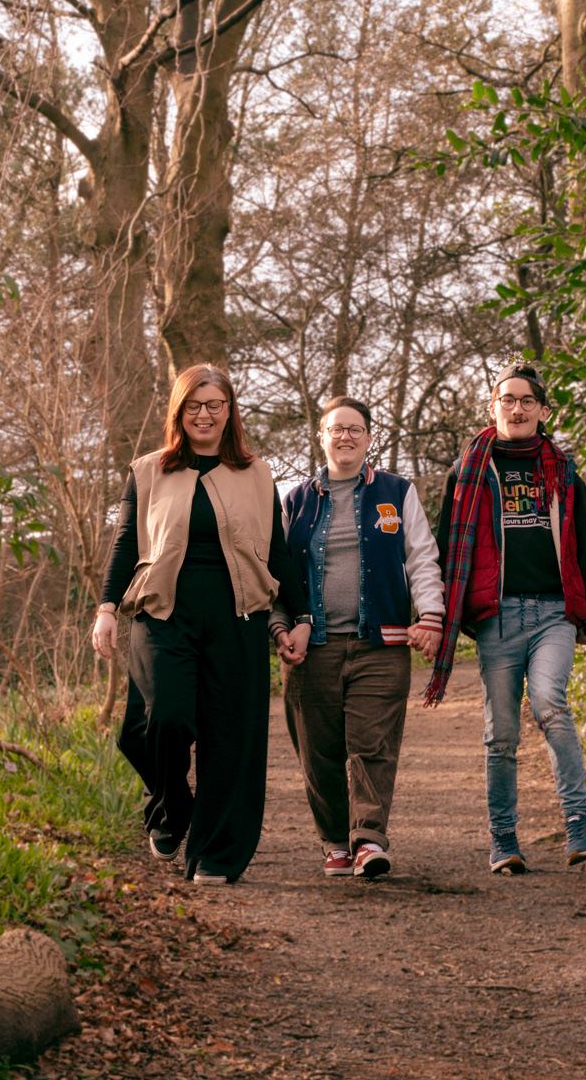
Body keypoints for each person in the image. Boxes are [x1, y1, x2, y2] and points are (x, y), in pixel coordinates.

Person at [91, 364, 309, 885]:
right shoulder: (148, 470)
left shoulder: (256, 473)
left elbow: (277, 551)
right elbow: (125, 546)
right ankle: (171, 806)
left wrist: (299, 617)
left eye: (215, 405)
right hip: (163, 610)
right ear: (179, 412)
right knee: (163, 718)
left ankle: (216, 853)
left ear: (229, 412)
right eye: (194, 406)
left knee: (230, 735)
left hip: (239, 615)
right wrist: (105, 610)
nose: (205, 414)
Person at [426, 362, 586, 874]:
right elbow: (446, 550)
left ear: (543, 411)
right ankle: (503, 840)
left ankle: (579, 822)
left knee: (550, 702)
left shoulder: (564, 472)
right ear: (493, 407)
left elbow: (585, 548)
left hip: (553, 611)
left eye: (528, 401)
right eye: (507, 399)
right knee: (501, 733)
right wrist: (440, 615)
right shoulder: (467, 472)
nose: (517, 408)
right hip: (496, 617)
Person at [274, 396, 444, 879]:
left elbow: (421, 558)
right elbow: (280, 574)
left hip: (382, 645)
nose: (345, 437)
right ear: (321, 438)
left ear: (369, 438)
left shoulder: (396, 491)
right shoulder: (296, 501)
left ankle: (368, 838)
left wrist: (430, 615)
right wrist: (284, 626)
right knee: (319, 752)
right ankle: (334, 842)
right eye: (335, 429)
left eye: (355, 429)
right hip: (313, 651)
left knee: (371, 746)